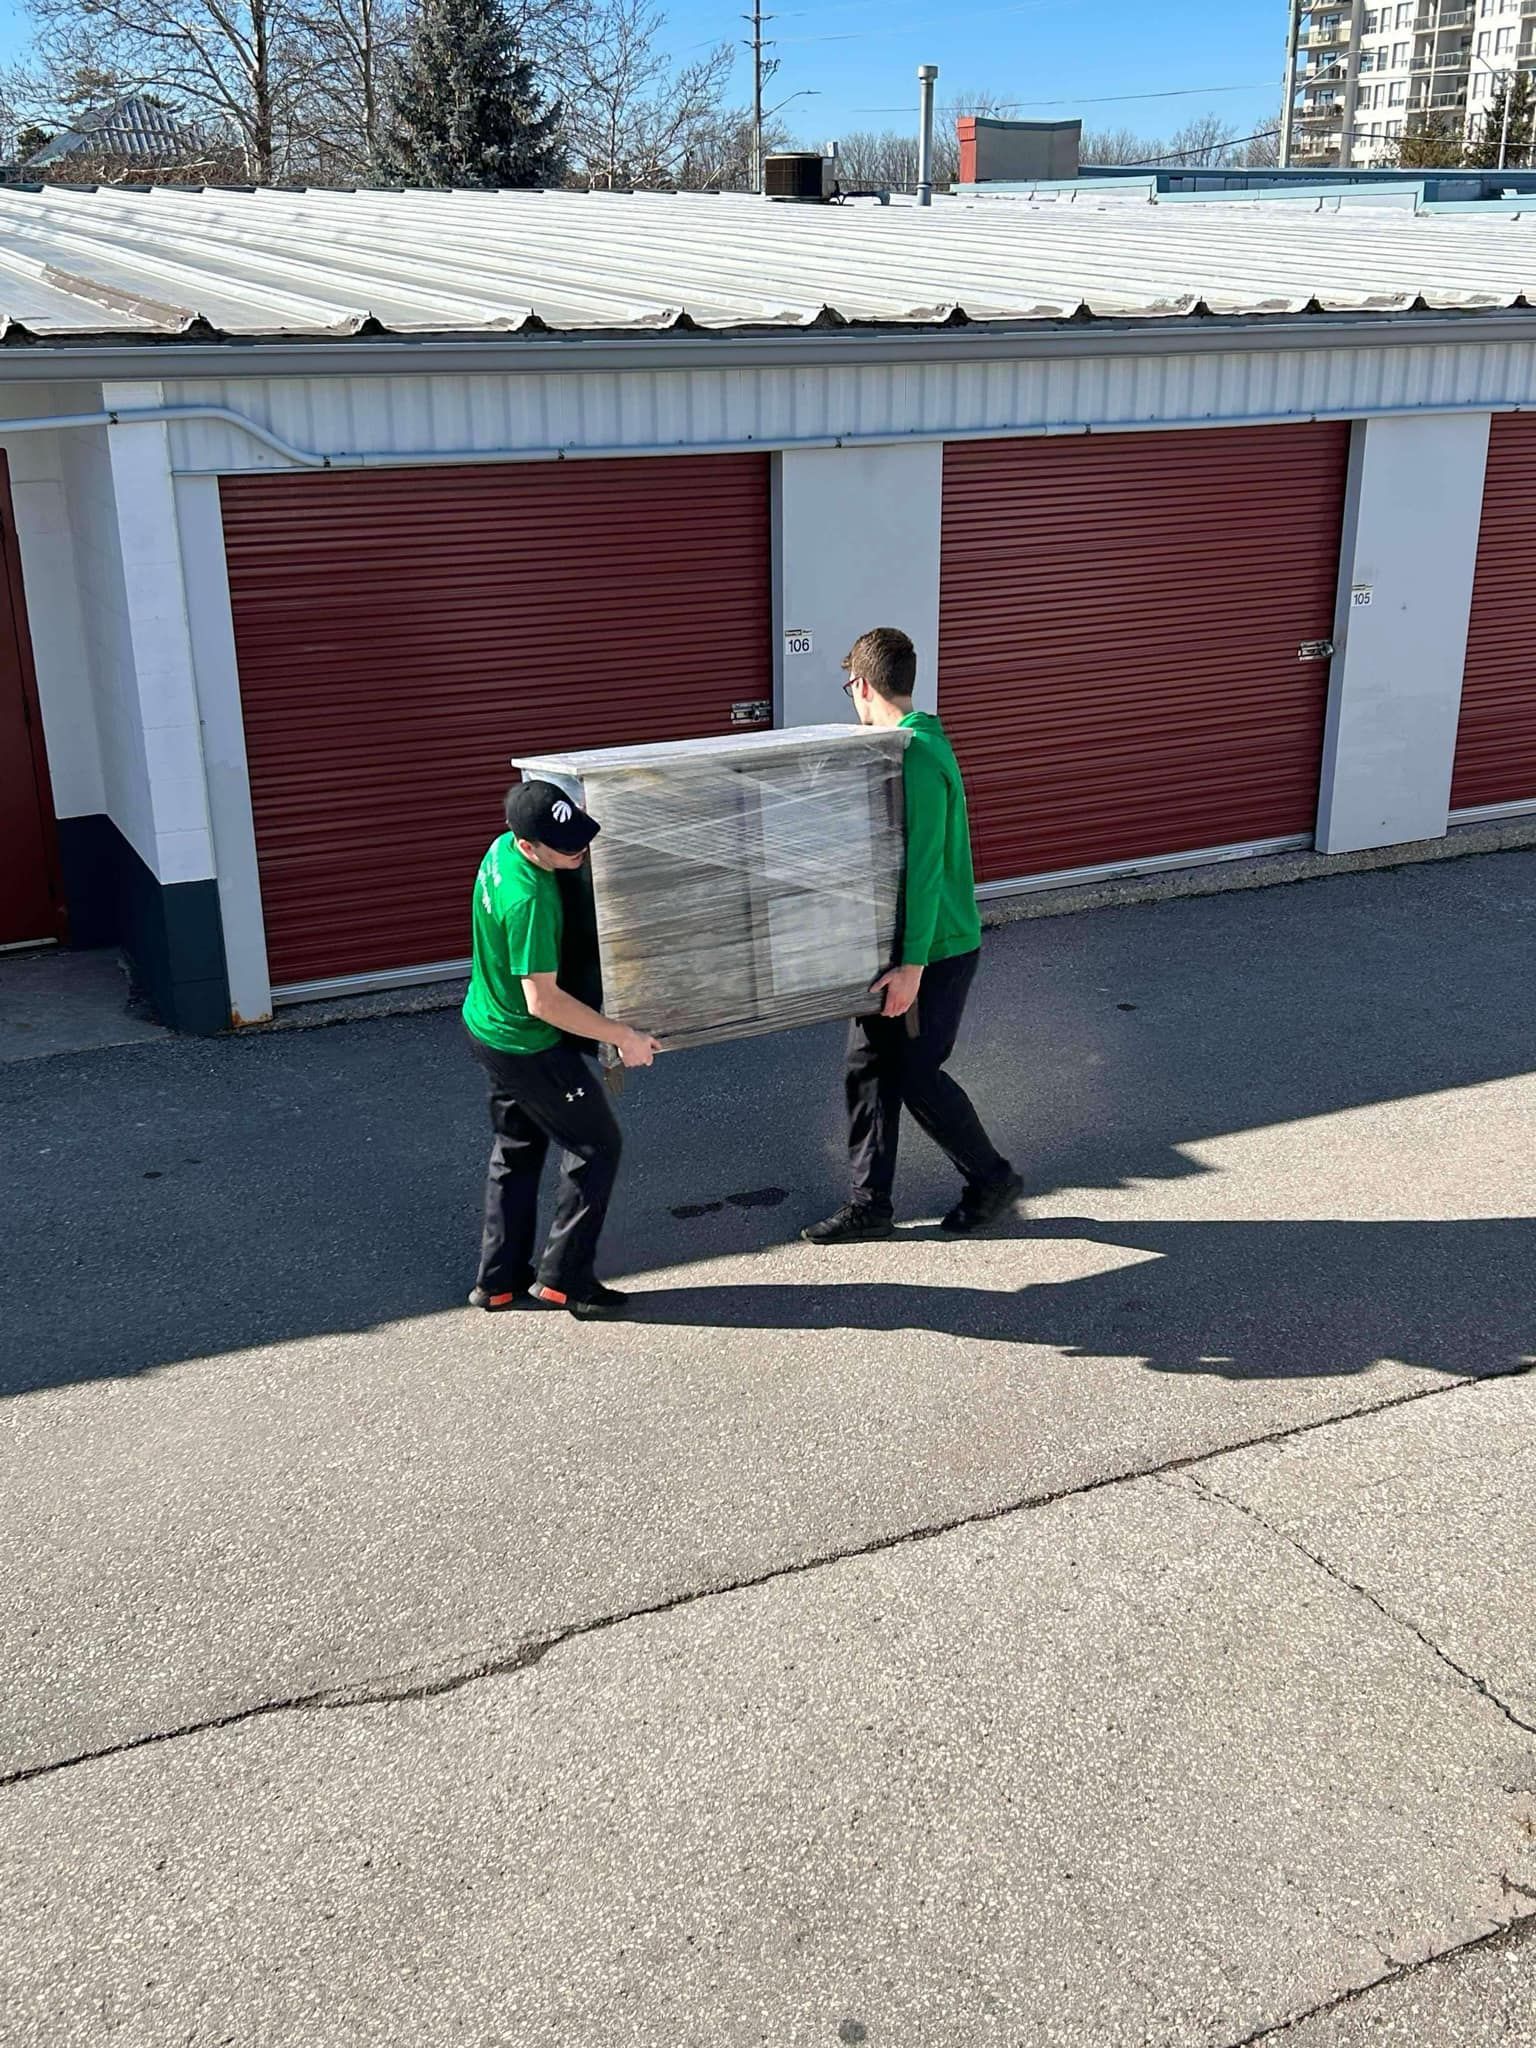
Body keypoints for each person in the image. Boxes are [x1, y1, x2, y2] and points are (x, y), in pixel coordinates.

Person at [804, 627, 1022, 1244]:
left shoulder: (918, 757)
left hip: (936, 951)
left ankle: (991, 1179)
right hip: (896, 946)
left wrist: (911, 967)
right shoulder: (905, 744)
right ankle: (869, 1203)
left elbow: (923, 868)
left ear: (862, 684)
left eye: (849, 688)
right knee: (869, 1066)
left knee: (916, 1073)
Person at [463, 780, 660, 1321]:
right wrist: (622, 1035)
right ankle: (564, 1280)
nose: (580, 851)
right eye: (568, 847)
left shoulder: (501, 848)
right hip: (526, 1043)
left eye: (580, 838)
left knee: (517, 1149)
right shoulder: (529, 900)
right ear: (530, 846)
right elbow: (543, 1002)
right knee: (597, 1146)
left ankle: (498, 1281)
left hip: (487, 1024)